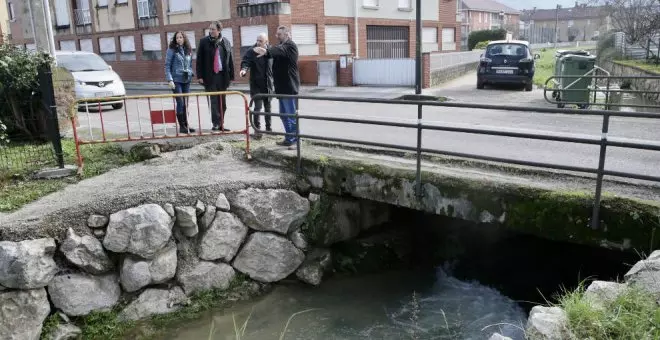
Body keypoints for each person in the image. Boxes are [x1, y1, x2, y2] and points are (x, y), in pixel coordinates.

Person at [253, 25, 300, 147]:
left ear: (287, 34)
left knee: (289, 115)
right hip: (281, 88)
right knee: (283, 114)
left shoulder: (290, 46)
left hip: (289, 88)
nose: (277, 36)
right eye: (277, 34)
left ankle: (294, 139)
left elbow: (278, 51)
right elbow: (276, 50)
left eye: (279, 34)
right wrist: (267, 52)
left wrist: (267, 51)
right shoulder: (281, 46)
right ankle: (289, 137)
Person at [196, 21, 234, 131]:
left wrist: (231, 76)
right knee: (213, 102)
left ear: (219, 30)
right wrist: (200, 76)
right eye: (210, 29)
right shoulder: (204, 42)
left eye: (213, 29)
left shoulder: (225, 42)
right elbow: (199, 60)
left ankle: (222, 123)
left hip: (223, 76)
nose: (211, 31)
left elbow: (230, 60)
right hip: (210, 76)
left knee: (223, 102)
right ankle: (215, 123)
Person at [240, 33, 274, 137]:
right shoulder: (252, 51)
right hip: (256, 84)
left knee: (268, 108)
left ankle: (269, 128)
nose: (258, 43)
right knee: (257, 107)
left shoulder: (271, 51)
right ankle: (257, 130)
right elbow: (245, 62)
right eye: (257, 40)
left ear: (266, 42)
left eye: (261, 41)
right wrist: (243, 70)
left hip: (267, 84)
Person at [165, 31, 195, 134]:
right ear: (175, 39)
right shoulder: (172, 49)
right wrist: (170, 79)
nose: (179, 39)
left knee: (185, 103)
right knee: (180, 102)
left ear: (184, 38)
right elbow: (167, 65)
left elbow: (190, 64)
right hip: (176, 80)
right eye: (177, 38)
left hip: (186, 80)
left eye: (181, 37)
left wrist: (191, 73)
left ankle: (186, 124)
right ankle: (181, 126)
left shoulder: (188, 49)